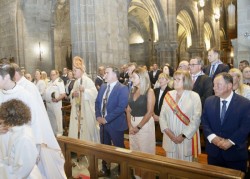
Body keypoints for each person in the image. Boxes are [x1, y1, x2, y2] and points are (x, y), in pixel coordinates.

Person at [0, 62, 66, 178]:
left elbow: (36, 120)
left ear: (6, 77)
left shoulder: (25, 94)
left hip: (21, 143)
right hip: (3, 142)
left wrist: (35, 145)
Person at [201, 72, 250, 173]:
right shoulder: (209, 101)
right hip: (214, 153)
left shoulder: (245, 103)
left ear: (229, 86)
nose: (214, 88)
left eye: (218, 85)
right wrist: (212, 137)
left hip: (235, 154)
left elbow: (246, 126)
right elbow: (205, 121)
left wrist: (231, 141)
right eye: (214, 85)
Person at [159, 70, 202, 161]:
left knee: (186, 169)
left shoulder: (194, 96)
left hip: (186, 138)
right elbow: (162, 116)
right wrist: (169, 133)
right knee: (170, 167)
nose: (175, 81)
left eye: (178, 79)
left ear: (186, 81)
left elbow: (196, 119)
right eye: (174, 79)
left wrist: (182, 136)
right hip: (170, 137)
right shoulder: (168, 95)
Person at [95, 66, 129, 177]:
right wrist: (98, 116)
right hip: (103, 124)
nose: (104, 75)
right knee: (104, 147)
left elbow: (121, 107)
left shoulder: (122, 88)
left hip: (115, 124)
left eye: (107, 73)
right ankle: (106, 169)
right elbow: (97, 102)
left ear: (114, 75)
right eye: (104, 73)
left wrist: (106, 119)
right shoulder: (103, 86)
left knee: (119, 148)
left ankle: (122, 169)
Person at [0, 99, 42, 178]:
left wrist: (2, 169)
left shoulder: (23, 137)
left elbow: (22, 169)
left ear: (9, 117)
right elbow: (13, 157)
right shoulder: (17, 131)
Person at [68, 56, 100, 142]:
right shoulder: (76, 82)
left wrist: (85, 91)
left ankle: (88, 150)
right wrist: (73, 94)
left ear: (81, 70)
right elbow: (72, 93)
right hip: (78, 110)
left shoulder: (87, 80)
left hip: (86, 111)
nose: (73, 73)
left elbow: (94, 94)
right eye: (73, 70)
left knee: (87, 132)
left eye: (75, 70)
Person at [126, 66, 156, 154]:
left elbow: (150, 112)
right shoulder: (133, 91)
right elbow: (128, 110)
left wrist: (138, 127)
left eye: (134, 77)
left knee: (145, 151)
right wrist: (130, 126)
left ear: (142, 78)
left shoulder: (149, 91)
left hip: (144, 124)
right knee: (134, 150)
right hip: (132, 122)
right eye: (131, 77)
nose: (132, 80)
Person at [44, 70, 66, 136]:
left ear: (57, 75)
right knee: (51, 119)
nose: (51, 76)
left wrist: (57, 99)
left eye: (53, 74)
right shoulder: (49, 82)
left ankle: (59, 133)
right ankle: (53, 132)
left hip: (56, 103)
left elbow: (63, 94)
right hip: (49, 104)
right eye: (51, 74)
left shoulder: (59, 82)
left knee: (57, 118)